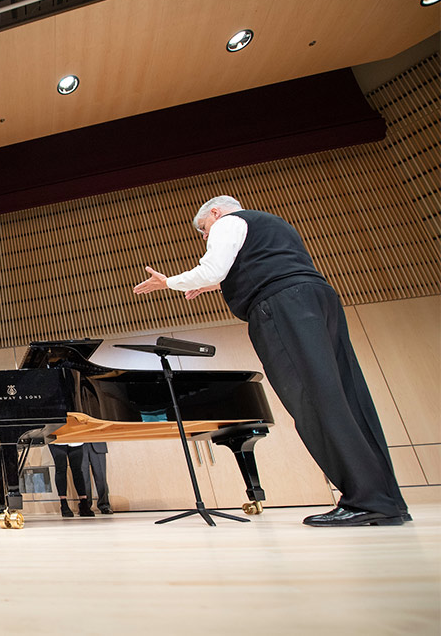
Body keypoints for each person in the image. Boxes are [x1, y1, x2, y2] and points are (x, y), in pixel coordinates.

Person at [133, 195, 409, 527]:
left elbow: (213, 267)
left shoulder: (227, 222)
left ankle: (366, 501)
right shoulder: (274, 223)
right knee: (348, 397)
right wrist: (216, 283)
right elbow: (254, 265)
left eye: (203, 229)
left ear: (215, 213)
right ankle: (388, 499)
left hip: (281, 308)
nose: (205, 237)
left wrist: (169, 282)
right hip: (317, 299)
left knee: (314, 401)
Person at [49, 443, 94, 517]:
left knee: (78, 470)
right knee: (61, 469)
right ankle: (64, 504)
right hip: (57, 441)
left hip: (75, 441)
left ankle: (84, 503)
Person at [82, 442, 113, 514]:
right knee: (83, 478)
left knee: (101, 477)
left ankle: (104, 505)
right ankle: (85, 505)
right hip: (79, 443)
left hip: (98, 443)